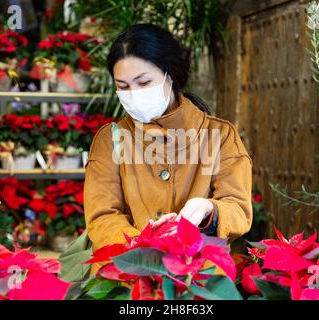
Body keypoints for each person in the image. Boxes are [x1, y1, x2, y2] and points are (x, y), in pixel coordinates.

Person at [84, 23, 253, 274]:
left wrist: (209, 210)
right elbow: (102, 217)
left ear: (169, 74)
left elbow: (238, 208)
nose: (133, 94)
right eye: (123, 86)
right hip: (129, 276)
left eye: (144, 82)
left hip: (198, 276)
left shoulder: (219, 135)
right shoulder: (110, 140)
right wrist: (146, 249)